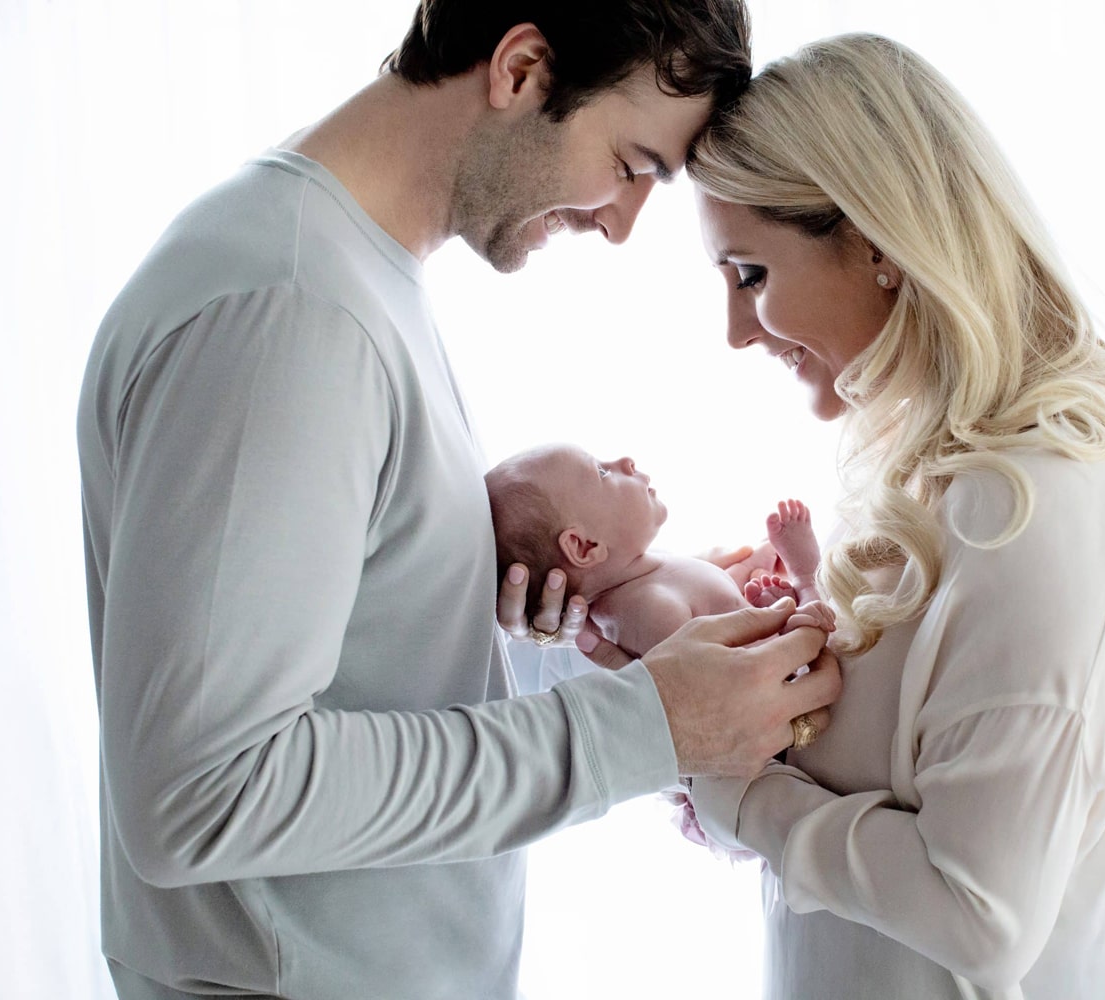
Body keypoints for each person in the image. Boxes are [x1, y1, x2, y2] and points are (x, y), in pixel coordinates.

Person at [75, 4, 841, 998]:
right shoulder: (295, 307)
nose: (620, 224)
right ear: (523, 69)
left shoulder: (339, 279)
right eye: (632, 165)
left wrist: (547, 648)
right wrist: (643, 725)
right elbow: (203, 794)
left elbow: (321, 684)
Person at [531, 32, 1105, 999]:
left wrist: (733, 787)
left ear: (875, 240)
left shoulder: (1037, 497)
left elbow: (979, 915)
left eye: (749, 275)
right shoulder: (932, 472)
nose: (737, 332)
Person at [486, 443, 834, 659]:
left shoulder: (645, 575)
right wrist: (795, 603)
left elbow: (714, 612)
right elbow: (737, 684)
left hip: (772, 651)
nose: (626, 460)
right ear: (584, 546)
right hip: (794, 684)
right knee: (819, 597)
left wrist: (748, 585)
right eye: (602, 471)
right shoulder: (650, 610)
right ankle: (809, 577)